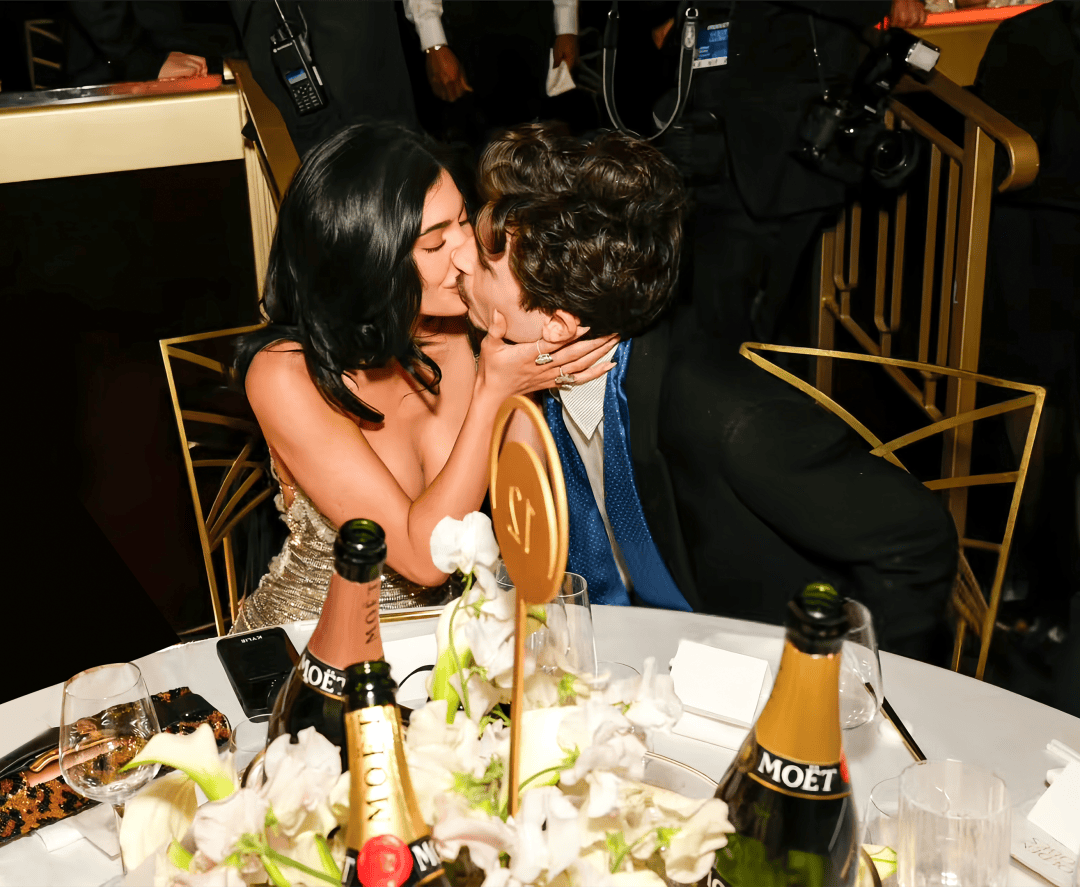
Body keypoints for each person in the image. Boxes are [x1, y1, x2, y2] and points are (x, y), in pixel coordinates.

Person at [453, 123, 958, 658]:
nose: (460, 257)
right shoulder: (536, 376)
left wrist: (854, 686)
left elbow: (917, 540)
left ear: (557, 326)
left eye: (484, 261)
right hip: (627, 659)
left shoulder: (733, 424)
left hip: (757, 666)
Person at [229, 121, 615, 634]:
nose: (467, 253)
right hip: (315, 645)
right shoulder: (284, 373)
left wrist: (526, 372)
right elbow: (424, 559)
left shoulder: (459, 326)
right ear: (368, 263)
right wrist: (495, 390)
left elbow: (515, 526)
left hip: (450, 640)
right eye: (434, 245)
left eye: (464, 220)